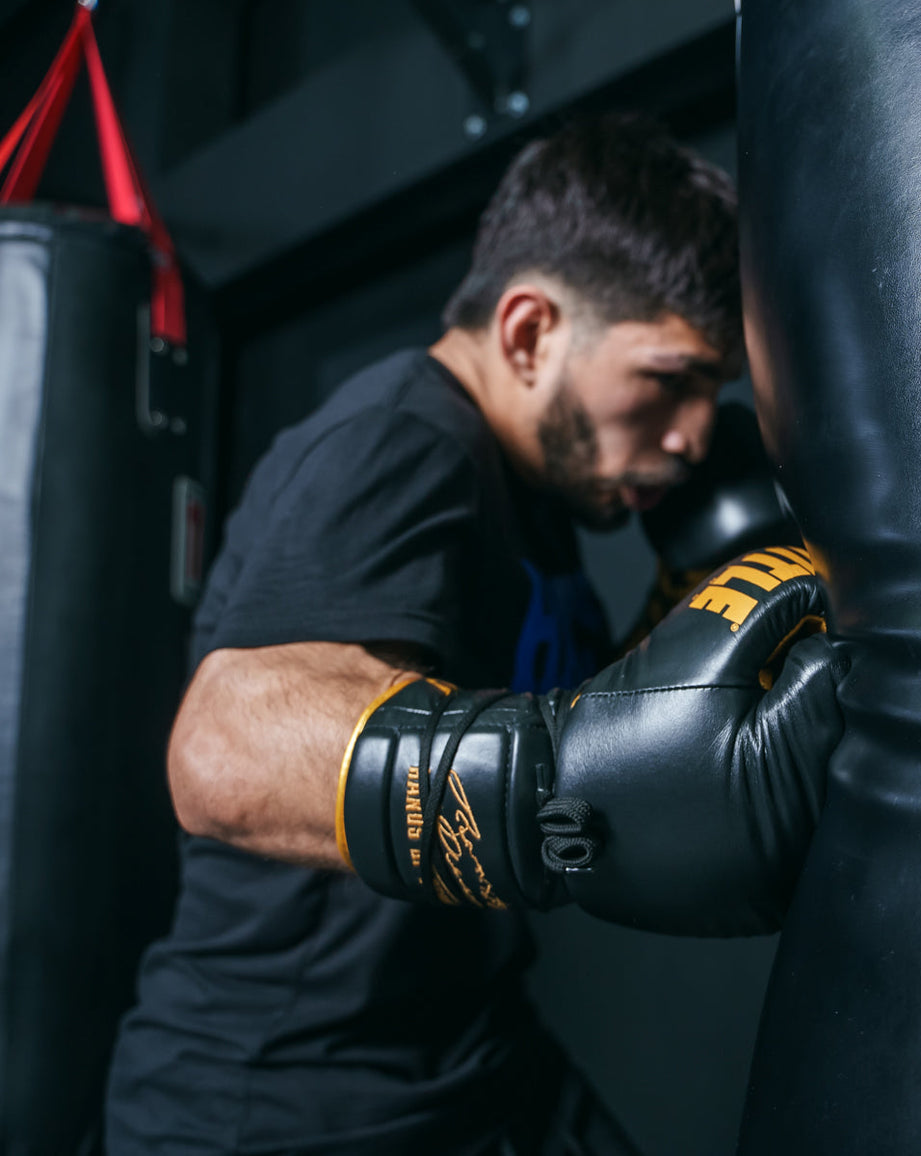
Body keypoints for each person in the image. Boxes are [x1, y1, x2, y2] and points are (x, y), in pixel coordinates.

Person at [105, 115, 843, 1156]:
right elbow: (224, 751)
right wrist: (559, 788)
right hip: (283, 1102)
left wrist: (677, 634)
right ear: (529, 330)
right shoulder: (403, 443)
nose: (689, 435)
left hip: (470, 1051)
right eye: (668, 378)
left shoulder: (542, 494)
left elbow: (559, 720)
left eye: (708, 395)